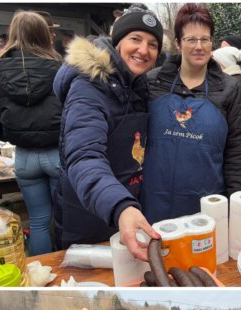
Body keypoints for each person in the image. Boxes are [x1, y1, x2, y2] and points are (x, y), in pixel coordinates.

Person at [52, 7, 164, 257]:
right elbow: (84, 157)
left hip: (127, 207)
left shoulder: (138, 84)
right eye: (135, 39)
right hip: (87, 214)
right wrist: (121, 207)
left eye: (152, 44)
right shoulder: (88, 87)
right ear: (118, 41)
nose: (143, 50)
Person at [143, 3, 241, 223]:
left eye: (205, 39)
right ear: (178, 43)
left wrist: (239, 207)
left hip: (208, 207)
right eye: (191, 39)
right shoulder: (151, 83)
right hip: (151, 203)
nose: (199, 46)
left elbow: (239, 155)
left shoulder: (230, 90)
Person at [0, 11, 62, 255]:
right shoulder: (60, 67)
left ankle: (40, 270)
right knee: (63, 220)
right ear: (45, 34)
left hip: (24, 156)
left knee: (37, 221)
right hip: (57, 153)